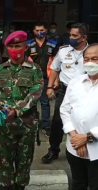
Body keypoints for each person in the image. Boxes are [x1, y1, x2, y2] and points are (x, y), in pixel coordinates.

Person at [0, 31, 44, 190]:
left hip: (27, 126)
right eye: (11, 46)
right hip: (4, 126)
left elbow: (35, 94)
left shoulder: (35, 70)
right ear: (7, 48)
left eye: (18, 46)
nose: (15, 49)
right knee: (4, 161)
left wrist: (17, 110)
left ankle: (21, 186)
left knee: (24, 162)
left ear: (25, 47)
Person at [41, 23, 89, 164]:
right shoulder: (63, 51)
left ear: (84, 38)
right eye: (70, 35)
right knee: (58, 121)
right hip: (65, 91)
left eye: (75, 36)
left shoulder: (92, 52)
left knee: (83, 120)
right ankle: (53, 150)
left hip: (86, 91)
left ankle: (81, 148)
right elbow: (54, 69)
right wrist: (50, 87)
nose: (71, 38)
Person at [60, 43, 98, 190]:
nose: (90, 63)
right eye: (87, 59)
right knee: (78, 184)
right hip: (74, 147)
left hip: (96, 149)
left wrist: (87, 137)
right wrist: (75, 136)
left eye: (95, 59)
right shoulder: (75, 82)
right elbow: (65, 110)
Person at [27, 21, 59, 137]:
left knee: (45, 103)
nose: (39, 32)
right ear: (33, 31)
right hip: (32, 78)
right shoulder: (28, 44)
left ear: (46, 30)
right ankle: (33, 125)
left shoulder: (53, 44)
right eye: (37, 30)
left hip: (47, 78)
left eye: (41, 30)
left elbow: (56, 62)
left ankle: (46, 127)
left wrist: (55, 80)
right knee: (32, 103)